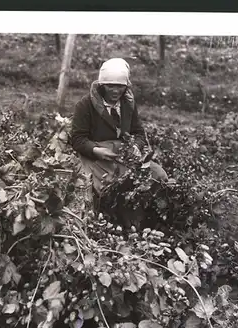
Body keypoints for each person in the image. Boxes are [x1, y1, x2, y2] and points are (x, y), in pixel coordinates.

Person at [71, 57, 168, 215]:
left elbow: (138, 132)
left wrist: (135, 147)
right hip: (96, 158)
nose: (115, 91)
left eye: (120, 86)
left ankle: (143, 214)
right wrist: (97, 150)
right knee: (106, 189)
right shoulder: (85, 105)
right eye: (110, 86)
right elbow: (77, 139)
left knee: (158, 175)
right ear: (102, 85)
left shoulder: (128, 103)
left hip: (123, 155)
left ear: (126, 86)